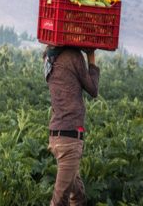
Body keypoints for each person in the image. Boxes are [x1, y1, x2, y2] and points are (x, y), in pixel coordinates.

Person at [44, 45, 100, 206]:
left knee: (78, 195)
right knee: (59, 200)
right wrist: (91, 58)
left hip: (56, 136)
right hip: (69, 139)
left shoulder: (48, 57)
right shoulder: (73, 56)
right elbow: (93, 89)